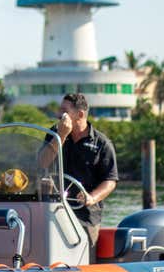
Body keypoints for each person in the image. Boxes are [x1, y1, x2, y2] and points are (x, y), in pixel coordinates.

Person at [39, 93, 118, 261]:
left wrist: (92, 197)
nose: (60, 114)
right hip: (54, 211)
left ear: (80, 114)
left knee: (84, 259)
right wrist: (61, 136)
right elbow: (42, 162)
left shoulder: (102, 143)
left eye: (64, 110)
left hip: (86, 215)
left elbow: (110, 181)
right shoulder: (54, 133)